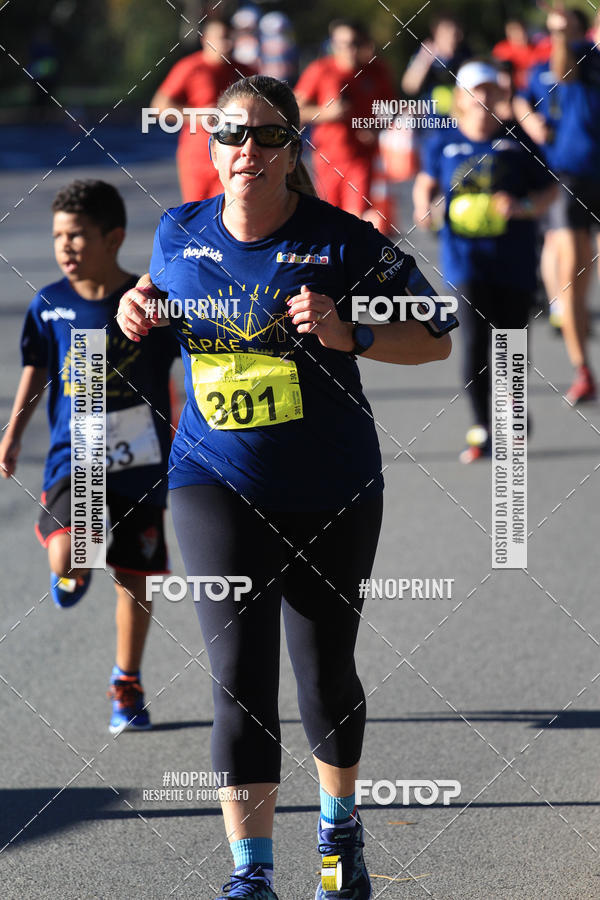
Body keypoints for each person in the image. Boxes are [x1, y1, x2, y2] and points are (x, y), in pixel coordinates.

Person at [117, 74, 454, 900]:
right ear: (212, 144)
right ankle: (251, 874)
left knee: (324, 672)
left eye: (268, 137)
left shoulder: (345, 243)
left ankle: (339, 832)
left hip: (330, 485)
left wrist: (350, 330)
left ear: (293, 149)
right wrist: (136, 310)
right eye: (233, 134)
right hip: (211, 476)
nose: (247, 151)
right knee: (238, 676)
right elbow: (162, 306)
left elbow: (436, 337)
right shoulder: (178, 230)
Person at [0, 180, 179, 733]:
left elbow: (191, 364)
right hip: (74, 458)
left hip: (141, 464)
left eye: (76, 235)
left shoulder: (149, 306)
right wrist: (12, 433)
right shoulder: (50, 304)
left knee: (134, 576)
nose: (65, 247)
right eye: (58, 236)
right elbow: (36, 370)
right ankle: (73, 568)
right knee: (72, 556)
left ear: (114, 238)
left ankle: (126, 682)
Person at [413, 61, 557, 463]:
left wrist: (524, 206)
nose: (485, 99)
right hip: (464, 264)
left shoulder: (519, 143)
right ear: (461, 99)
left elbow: (550, 190)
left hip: (513, 263)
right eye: (478, 91)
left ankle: (511, 418)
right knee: (475, 347)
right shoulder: (442, 142)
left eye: (493, 90)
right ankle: (482, 428)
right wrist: (425, 207)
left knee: (511, 346)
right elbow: (426, 183)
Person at [545, 7, 600, 403]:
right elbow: (561, 71)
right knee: (572, 277)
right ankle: (583, 369)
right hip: (572, 176)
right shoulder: (564, 57)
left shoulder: (593, 54)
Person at [294, 19, 395, 227]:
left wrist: (377, 127)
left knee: (354, 219)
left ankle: (348, 259)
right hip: (327, 159)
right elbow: (293, 110)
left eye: (354, 43)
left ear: (364, 43)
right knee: (327, 219)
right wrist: (325, 113)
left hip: (361, 158)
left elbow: (391, 107)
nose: (348, 49)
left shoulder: (376, 71)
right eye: (341, 44)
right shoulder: (320, 70)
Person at [150, 17, 256, 203]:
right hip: (197, 157)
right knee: (196, 215)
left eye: (230, 38)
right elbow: (158, 106)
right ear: (205, 39)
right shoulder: (190, 67)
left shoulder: (245, 70)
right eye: (222, 37)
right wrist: (198, 115)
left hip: (234, 155)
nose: (227, 43)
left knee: (227, 213)